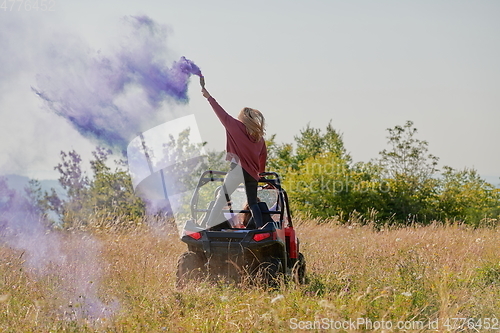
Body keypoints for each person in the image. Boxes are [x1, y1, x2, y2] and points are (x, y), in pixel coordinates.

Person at [200, 77, 267, 229]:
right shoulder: (259, 137)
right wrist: (261, 173)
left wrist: (208, 97)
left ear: (242, 118)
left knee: (221, 198)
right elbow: (263, 156)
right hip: (252, 174)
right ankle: (260, 228)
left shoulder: (234, 126)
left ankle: (208, 225)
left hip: (237, 170)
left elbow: (220, 113)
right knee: (252, 203)